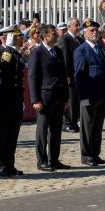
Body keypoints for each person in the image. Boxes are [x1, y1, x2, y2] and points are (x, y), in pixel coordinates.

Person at [28, 24, 70, 171]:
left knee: (56, 130)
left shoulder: (58, 51)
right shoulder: (37, 52)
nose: (57, 36)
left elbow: (63, 76)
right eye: (53, 34)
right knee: (42, 131)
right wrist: (36, 100)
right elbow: (33, 77)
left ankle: (54, 159)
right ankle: (42, 161)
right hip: (45, 97)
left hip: (58, 97)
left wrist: (66, 97)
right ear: (45, 36)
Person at [0, 25, 26, 177]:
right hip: (2, 99)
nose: (18, 39)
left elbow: (18, 78)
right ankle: (1, 166)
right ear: (4, 37)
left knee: (12, 134)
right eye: (15, 37)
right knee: (2, 134)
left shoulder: (15, 53)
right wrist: (8, 49)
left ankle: (10, 164)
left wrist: (21, 98)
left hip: (15, 99)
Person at [74, 19, 105, 166]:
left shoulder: (100, 48)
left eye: (96, 30)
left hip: (101, 94)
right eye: (91, 30)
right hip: (89, 95)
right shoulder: (81, 50)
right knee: (87, 126)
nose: (94, 32)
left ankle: (95, 153)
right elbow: (80, 74)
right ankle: (86, 155)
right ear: (85, 33)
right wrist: (83, 96)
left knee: (97, 126)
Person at [56, 18, 82, 133]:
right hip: (70, 74)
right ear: (70, 26)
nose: (78, 27)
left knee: (76, 100)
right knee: (70, 99)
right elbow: (65, 58)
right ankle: (67, 122)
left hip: (78, 74)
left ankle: (74, 121)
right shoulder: (64, 39)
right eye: (76, 25)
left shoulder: (79, 39)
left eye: (78, 25)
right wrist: (66, 75)